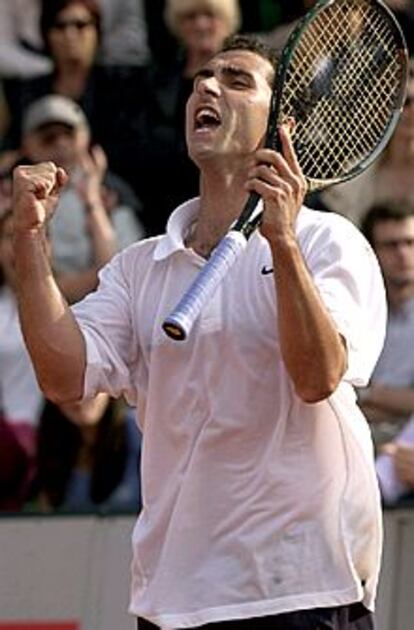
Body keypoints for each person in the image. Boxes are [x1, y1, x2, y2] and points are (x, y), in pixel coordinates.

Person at [11, 35, 386, 629]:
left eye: (237, 79)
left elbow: (318, 377)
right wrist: (28, 244)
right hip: (173, 598)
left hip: (299, 588)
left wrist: (281, 241)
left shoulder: (328, 242)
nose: (207, 87)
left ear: (279, 124)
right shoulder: (138, 267)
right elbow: (63, 376)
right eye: (202, 79)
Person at [20, 94, 144, 303]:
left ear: (85, 136)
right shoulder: (13, 195)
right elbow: (26, 281)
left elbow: (128, 273)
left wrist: (92, 201)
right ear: (28, 145)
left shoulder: (114, 190)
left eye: (69, 134)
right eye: (48, 137)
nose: (61, 144)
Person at [139, 0, 242, 235]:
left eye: (210, 15)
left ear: (227, 22)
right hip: (162, 204)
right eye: (190, 17)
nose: (201, 24)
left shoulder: (245, 88)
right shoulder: (156, 83)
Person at [358, 202, 414, 451]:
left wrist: (371, 395)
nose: (403, 254)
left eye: (410, 243)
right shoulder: (360, 309)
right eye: (391, 245)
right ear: (371, 252)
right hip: (362, 438)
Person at [0, 208, 45, 511]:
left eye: (30, 236)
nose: (17, 246)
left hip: (47, 441)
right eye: (8, 237)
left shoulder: (67, 312)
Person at [33, 394, 141, 513]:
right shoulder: (50, 443)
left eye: (92, 383)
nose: (81, 397)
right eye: (72, 385)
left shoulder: (139, 430)